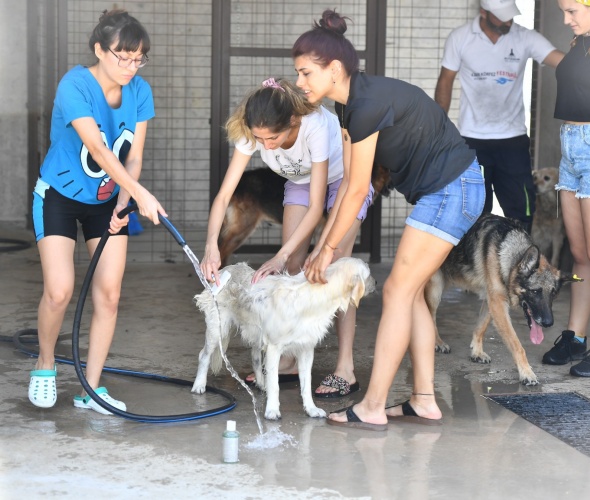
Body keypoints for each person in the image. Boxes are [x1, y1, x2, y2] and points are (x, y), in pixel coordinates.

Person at [294, 10, 486, 429]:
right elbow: (347, 187)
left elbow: (361, 189)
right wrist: (323, 245)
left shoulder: (365, 106)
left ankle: (373, 405)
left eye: (307, 73)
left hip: (452, 189)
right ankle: (423, 400)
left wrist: (327, 251)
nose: (300, 83)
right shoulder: (349, 109)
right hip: (449, 191)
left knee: (398, 289)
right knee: (410, 292)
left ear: (335, 69)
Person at [28, 10, 167, 414]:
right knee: (59, 291)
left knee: (109, 294)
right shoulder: (75, 84)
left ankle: (90, 388)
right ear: (99, 50)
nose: (130, 66)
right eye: (121, 56)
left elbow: (134, 156)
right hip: (58, 194)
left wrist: (125, 201)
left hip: (109, 200)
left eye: (138, 58)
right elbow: (102, 151)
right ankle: (45, 362)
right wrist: (139, 193)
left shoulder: (140, 91)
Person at [200, 78, 375, 397]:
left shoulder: (315, 125)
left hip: (343, 183)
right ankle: (290, 358)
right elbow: (225, 194)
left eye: (273, 138)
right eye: (259, 139)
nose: (265, 146)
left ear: (293, 121)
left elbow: (316, 207)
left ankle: (345, 368)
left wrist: (291, 252)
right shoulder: (254, 128)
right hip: (299, 180)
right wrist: (212, 244)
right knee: (292, 266)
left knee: (335, 268)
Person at [434, 0, 564, 233]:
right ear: (484, 12)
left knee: (521, 209)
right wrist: (438, 128)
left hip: (512, 141)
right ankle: (476, 264)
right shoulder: (460, 37)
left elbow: (560, 61)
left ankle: (521, 261)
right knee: (475, 212)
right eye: (501, 16)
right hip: (473, 141)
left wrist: (585, 57)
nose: (508, 21)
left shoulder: (525, 37)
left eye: (510, 15)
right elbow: (445, 81)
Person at [541, 0, 590, 377]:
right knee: (579, 253)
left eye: (572, 10)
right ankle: (575, 336)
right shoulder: (580, 43)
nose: (565, 19)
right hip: (571, 147)